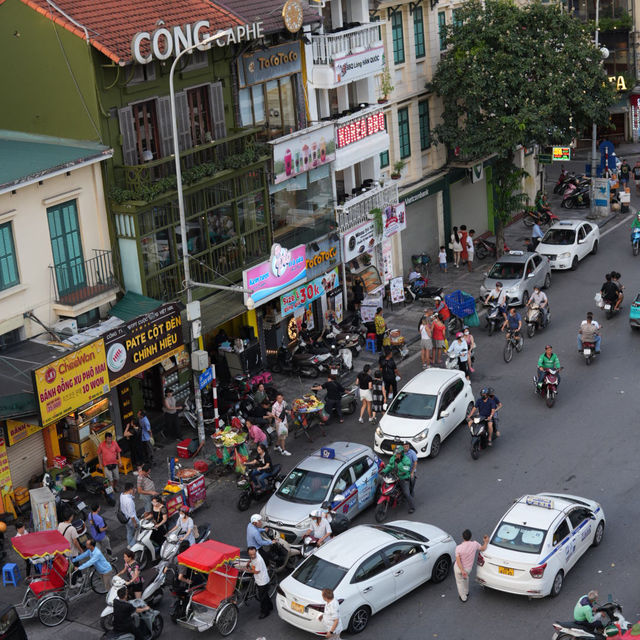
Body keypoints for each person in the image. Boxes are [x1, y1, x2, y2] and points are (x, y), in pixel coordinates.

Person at [454, 530, 489, 602]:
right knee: (465, 578)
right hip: (468, 569)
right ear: (470, 537)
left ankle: (463, 597)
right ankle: (466, 592)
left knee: (459, 582)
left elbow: (458, 560)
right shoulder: (475, 544)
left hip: (458, 568)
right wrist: (486, 541)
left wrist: (462, 570)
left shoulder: (458, 548)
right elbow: (483, 548)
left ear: (462, 537)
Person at [381, 448, 415, 514]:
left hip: (403, 478)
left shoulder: (406, 460)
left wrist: (399, 463)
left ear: (401, 454)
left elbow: (405, 469)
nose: (396, 455)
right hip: (394, 476)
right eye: (395, 453)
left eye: (398, 454)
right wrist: (384, 471)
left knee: (406, 493)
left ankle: (412, 507)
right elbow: (390, 466)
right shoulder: (393, 458)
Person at [245, 546, 272, 619]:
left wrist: (247, 570)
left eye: (254, 554)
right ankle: (270, 606)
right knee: (265, 595)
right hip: (261, 579)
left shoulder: (258, 560)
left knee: (262, 597)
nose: (253, 556)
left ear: (255, 552)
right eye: (251, 555)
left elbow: (256, 571)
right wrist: (249, 562)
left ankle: (265, 612)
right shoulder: (256, 553)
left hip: (262, 581)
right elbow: (251, 559)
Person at [120, 482, 138, 547]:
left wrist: (133, 493)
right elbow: (132, 515)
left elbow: (131, 497)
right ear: (130, 489)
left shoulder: (122, 495)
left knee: (129, 532)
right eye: (133, 489)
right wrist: (135, 523)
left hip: (125, 518)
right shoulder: (129, 501)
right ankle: (132, 545)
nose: (134, 490)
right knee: (138, 532)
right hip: (131, 520)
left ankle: (129, 544)